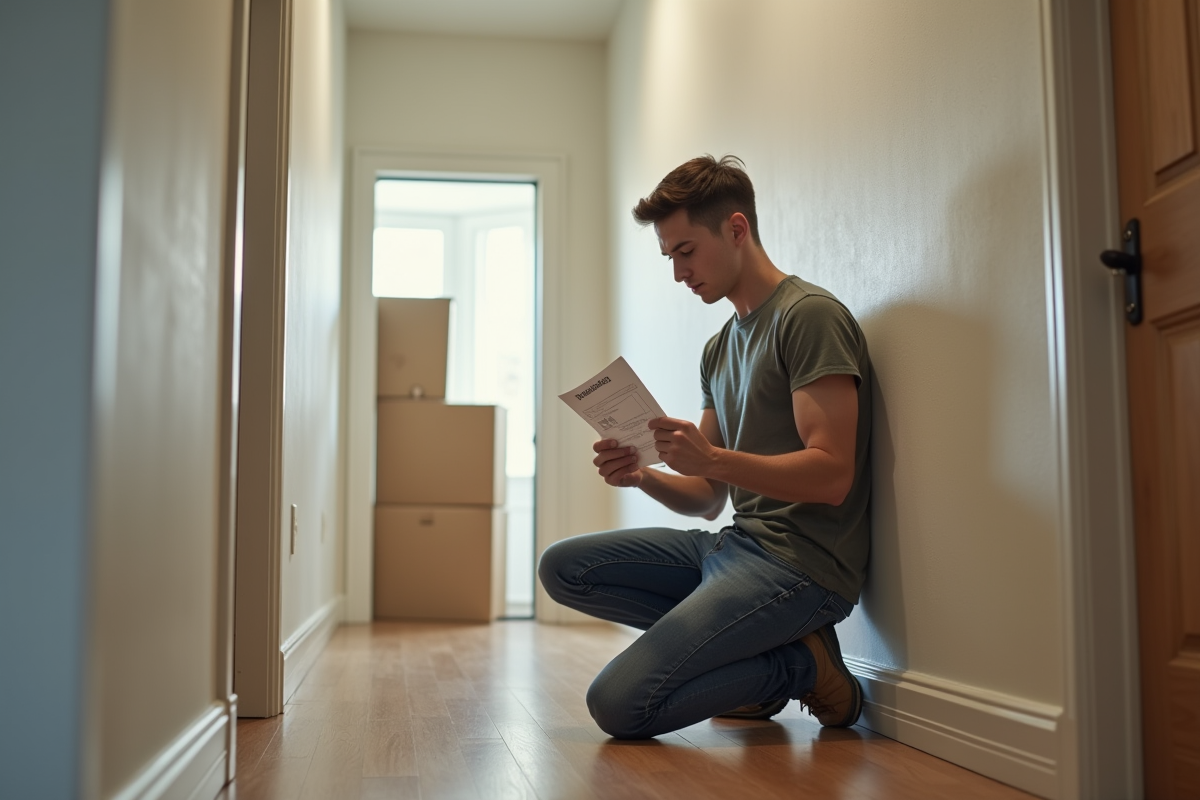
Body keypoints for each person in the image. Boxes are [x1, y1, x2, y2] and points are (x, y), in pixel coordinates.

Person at [538, 155, 873, 740]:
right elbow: (706, 498)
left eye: (686, 251)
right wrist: (642, 475)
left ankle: (801, 665)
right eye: (670, 257)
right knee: (565, 568)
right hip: (733, 545)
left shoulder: (807, 317)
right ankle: (769, 652)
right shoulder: (719, 349)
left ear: (736, 229)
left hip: (801, 566)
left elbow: (832, 475)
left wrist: (713, 459)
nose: (678, 273)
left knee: (617, 704)